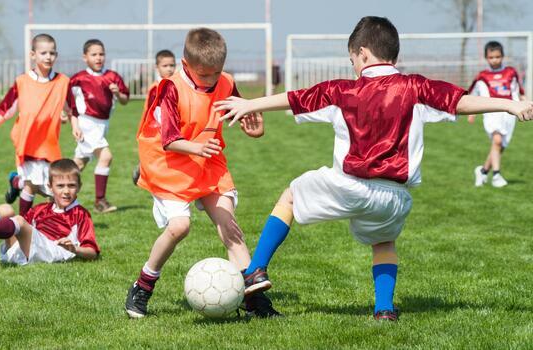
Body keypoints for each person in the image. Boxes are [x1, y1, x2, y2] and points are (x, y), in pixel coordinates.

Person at [214, 16, 533, 321]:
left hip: (350, 185)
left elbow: (296, 98)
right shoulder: (416, 87)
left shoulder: (342, 90)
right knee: (384, 243)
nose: (352, 65)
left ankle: (256, 269)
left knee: (290, 198)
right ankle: (384, 309)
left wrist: (250, 104)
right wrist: (510, 104)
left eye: (352, 58)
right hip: (395, 197)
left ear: (362, 53)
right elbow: (460, 102)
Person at [125, 28, 280, 319]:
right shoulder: (171, 89)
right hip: (169, 166)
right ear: (186, 66)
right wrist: (196, 147)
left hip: (208, 162)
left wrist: (254, 128)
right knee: (179, 227)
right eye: (204, 75)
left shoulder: (226, 82)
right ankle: (143, 285)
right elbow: (169, 139)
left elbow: (243, 113)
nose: (211, 81)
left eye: (216, 73)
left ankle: (255, 301)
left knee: (229, 226)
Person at [0, 159, 100, 264]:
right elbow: (16, 226)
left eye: (71, 185)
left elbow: (92, 252)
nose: (66, 191)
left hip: (53, 250)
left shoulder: (81, 214)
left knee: (19, 220)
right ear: (50, 187)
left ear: (79, 187)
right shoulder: (41, 209)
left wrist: (74, 249)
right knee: (7, 209)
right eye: (60, 186)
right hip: (27, 250)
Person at [0, 34, 71, 217]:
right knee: (32, 184)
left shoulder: (62, 82)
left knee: (50, 189)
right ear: (33, 55)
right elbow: (6, 108)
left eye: (52, 53)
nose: (48, 57)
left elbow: (69, 108)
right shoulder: (22, 81)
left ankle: (16, 183)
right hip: (26, 142)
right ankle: (24, 223)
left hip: (49, 144)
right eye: (43, 52)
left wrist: (67, 118)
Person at [69, 39, 130, 213]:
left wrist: (118, 93)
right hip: (87, 123)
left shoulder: (112, 76)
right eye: (94, 54)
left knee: (78, 164)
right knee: (106, 156)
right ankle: (100, 201)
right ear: (85, 57)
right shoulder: (79, 78)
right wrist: (70, 120)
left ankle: (53, 190)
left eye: (101, 54)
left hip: (102, 125)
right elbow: (67, 101)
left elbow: (126, 100)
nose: (98, 58)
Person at [468, 41, 525, 187]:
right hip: (491, 113)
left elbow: (519, 92)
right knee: (497, 141)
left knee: (499, 146)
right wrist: (472, 113)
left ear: (503, 56)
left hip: (509, 114)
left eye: (498, 57)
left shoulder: (511, 72)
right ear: (486, 58)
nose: (495, 60)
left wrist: (525, 104)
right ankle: (497, 176)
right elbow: (472, 94)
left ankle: (483, 171)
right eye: (491, 57)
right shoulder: (482, 76)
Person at [132, 49, 177, 186]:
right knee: (159, 160)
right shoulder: (155, 88)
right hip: (156, 131)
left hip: (171, 129)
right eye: (165, 66)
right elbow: (151, 113)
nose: (169, 69)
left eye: (172, 65)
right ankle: (142, 169)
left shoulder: (176, 85)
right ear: (156, 68)